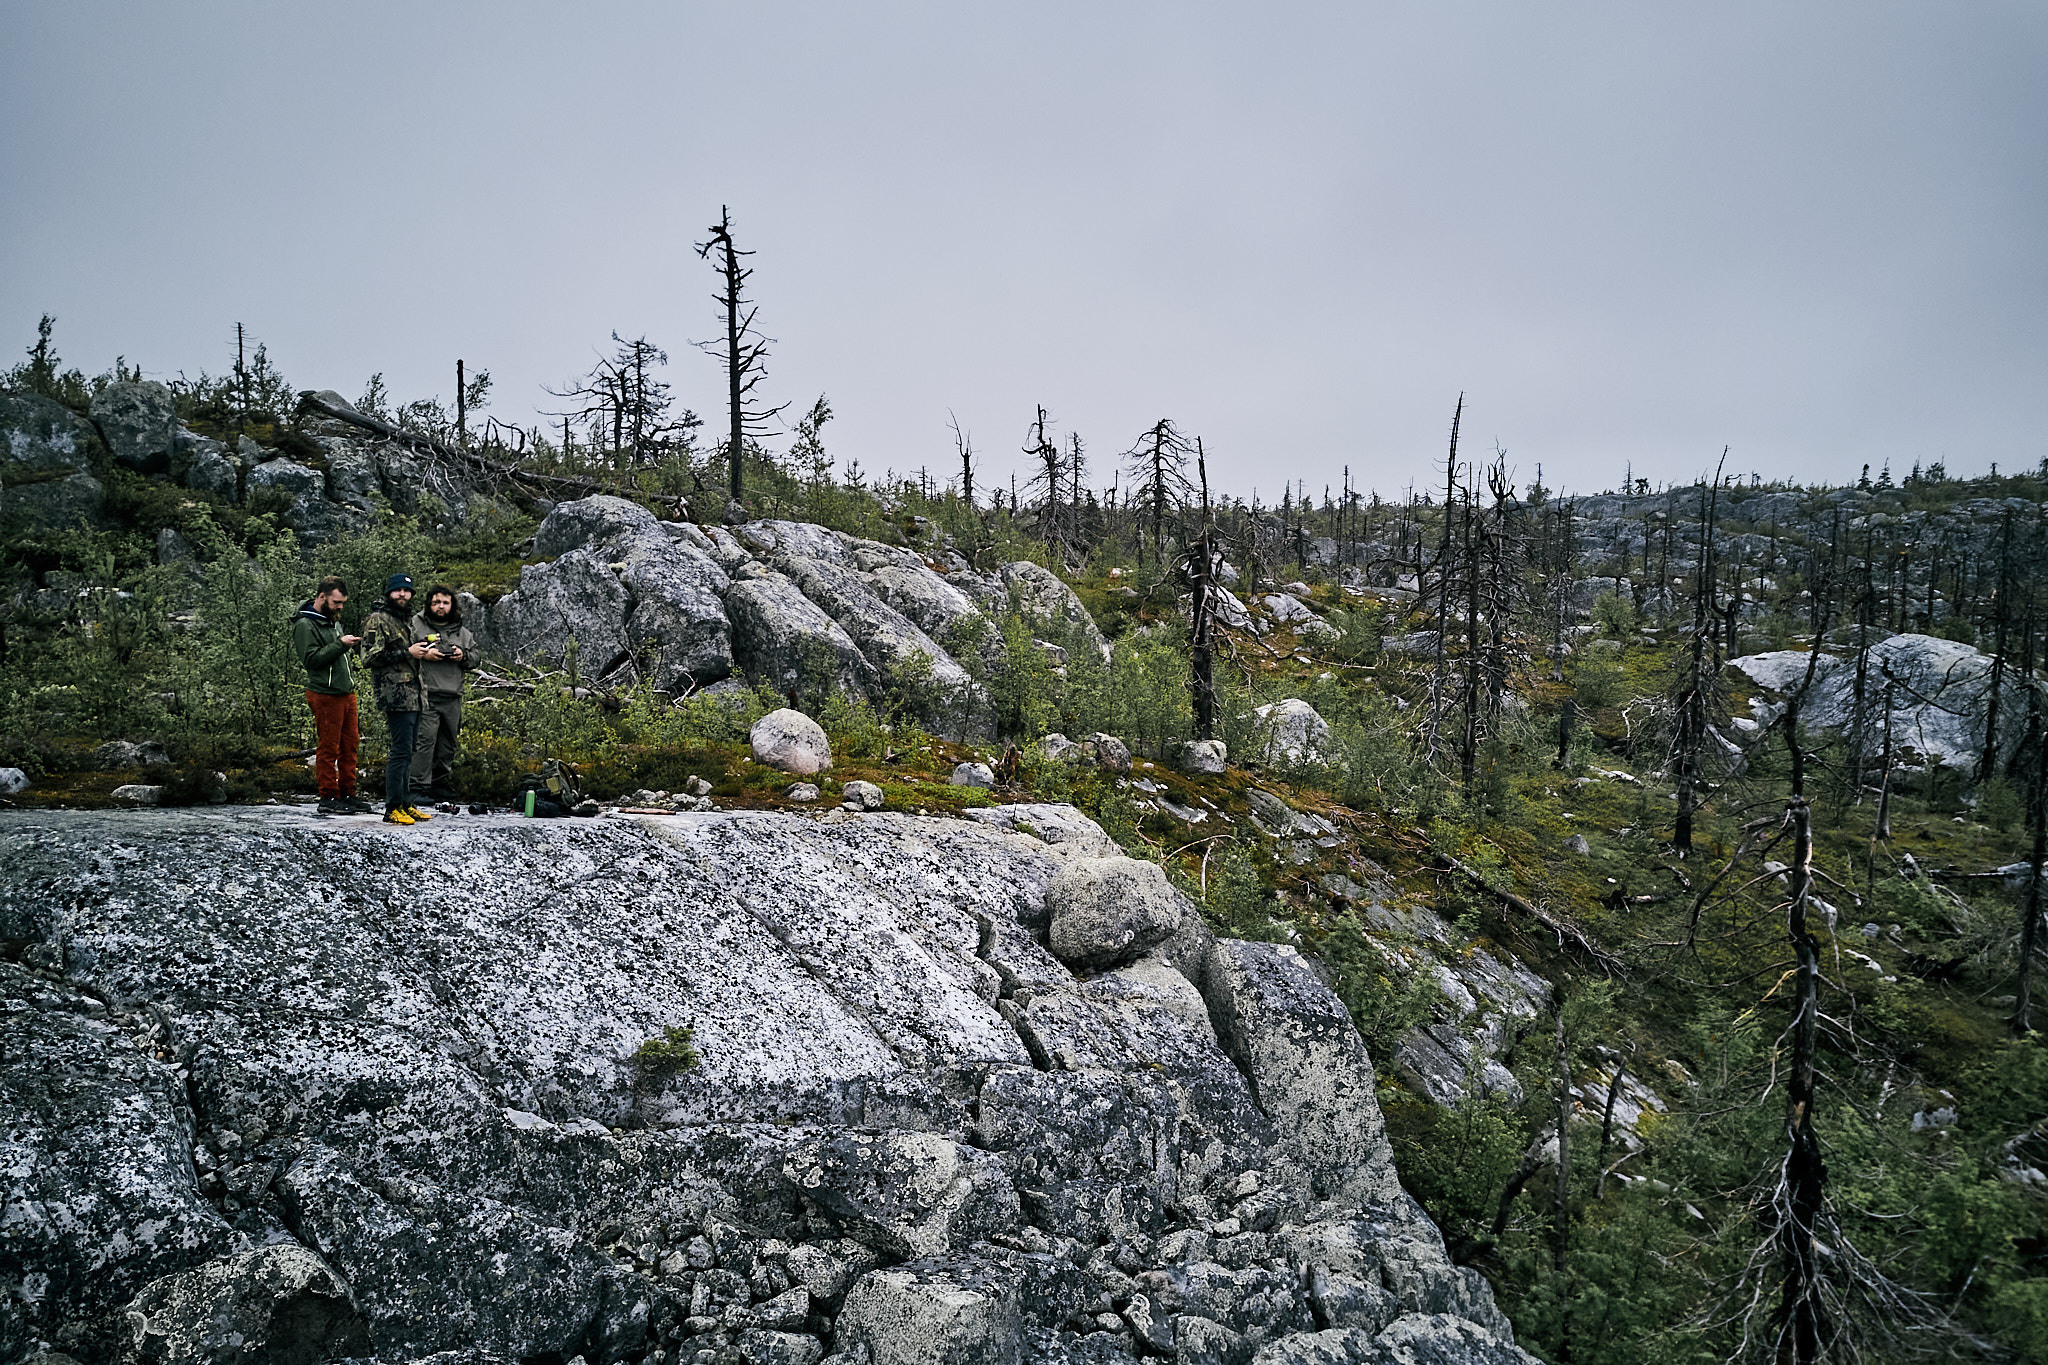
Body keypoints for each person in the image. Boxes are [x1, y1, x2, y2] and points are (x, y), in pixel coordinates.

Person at [361, 574, 436, 826]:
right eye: (398, 590)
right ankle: (392, 808)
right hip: (395, 695)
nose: (403, 594)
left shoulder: (404, 620)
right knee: (400, 751)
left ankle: (406, 803)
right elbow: (369, 657)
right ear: (389, 593)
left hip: (414, 694)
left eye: (407, 590)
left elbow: (406, 654)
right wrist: (407, 652)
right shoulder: (378, 620)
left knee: (410, 750)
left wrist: (421, 650)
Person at [292, 576, 370, 815]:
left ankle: (348, 794)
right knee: (329, 748)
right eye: (337, 602)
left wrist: (343, 644)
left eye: (342, 602)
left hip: (346, 693)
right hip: (325, 694)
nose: (340, 607)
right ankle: (328, 796)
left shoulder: (332, 620)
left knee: (350, 745)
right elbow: (311, 659)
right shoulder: (305, 625)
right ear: (322, 597)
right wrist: (341, 645)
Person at [408, 585, 479, 803]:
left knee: (448, 743)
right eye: (436, 602)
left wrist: (462, 655)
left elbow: (476, 658)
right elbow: (403, 651)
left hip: (453, 695)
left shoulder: (462, 631)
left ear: (452, 605)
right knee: (424, 741)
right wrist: (425, 654)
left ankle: (439, 784)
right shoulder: (415, 624)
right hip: (425, 692)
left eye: (445, 603)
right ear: (429, 604)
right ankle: (417, 787)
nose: (441, 607)